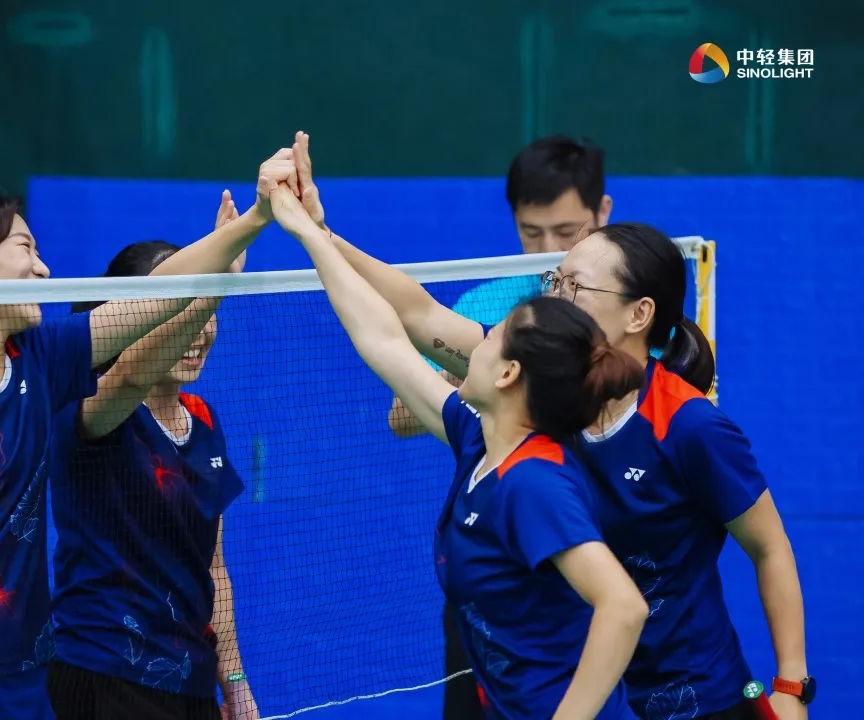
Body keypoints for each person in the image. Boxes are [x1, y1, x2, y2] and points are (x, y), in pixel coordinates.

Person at [0, 150, 294, 720]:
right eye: (25, 249)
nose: (44, 270)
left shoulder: (41, 363)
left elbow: (150, 301)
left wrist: (253, 222)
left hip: (23, 685)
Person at [265, 162, 648, 719]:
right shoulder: (479, 439)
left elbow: (624, 607)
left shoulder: (534, 483)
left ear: (508, 374)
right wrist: (308, 232)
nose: (473, 344)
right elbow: (383, 339)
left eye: (490, 341)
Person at [546, 223, 810, 720]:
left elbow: (770, 547)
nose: (557, 299)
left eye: (575, 286)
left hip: (695, 699)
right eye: (555, 282)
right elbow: (421, 324)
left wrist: (791, 685)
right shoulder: (549, 401)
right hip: (592, 694)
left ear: (638, 314)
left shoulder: (691, 427)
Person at [47, 233, 257, 719]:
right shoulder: (90, 405)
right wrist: (216, 284)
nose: (199, 332)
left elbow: (213, 568)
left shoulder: (203, 419)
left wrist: (235, 683)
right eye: (179, 308)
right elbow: (130, 377)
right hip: (104, 672)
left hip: (189, 678)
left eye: (204, 314)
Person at [389, 134, 613, 439]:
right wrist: (491, 363)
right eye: (531, 232)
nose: (548, 249)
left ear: (602, 211)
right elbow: (400, 417)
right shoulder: (483, 302)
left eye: (566, 231)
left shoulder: (629, 302)